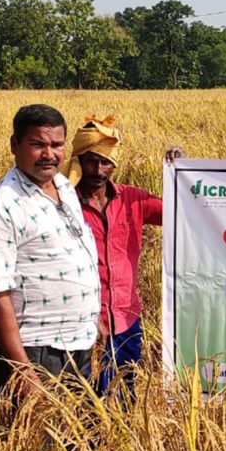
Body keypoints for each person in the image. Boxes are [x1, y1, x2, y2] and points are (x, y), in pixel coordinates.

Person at [0, 104, 101, 401]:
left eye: (56, 145)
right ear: (14, 145)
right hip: (35, 351)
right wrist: (22, 369)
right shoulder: (0, 208)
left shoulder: (64, 187)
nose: (49, 154)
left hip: (77, 343)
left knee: (77, 441)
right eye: (37, 144)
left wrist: (92, 316)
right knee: (38, 444)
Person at [64, 115, 182, 394]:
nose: (98, 169)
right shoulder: (63, 204)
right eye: (91, 160)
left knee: (126, 394)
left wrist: (181, 173)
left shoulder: (132, 199)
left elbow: (180, 212)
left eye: (106, 162)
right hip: (84, 322)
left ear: (114, 165)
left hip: (127, 319)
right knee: (88, 399)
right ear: (78, 159)